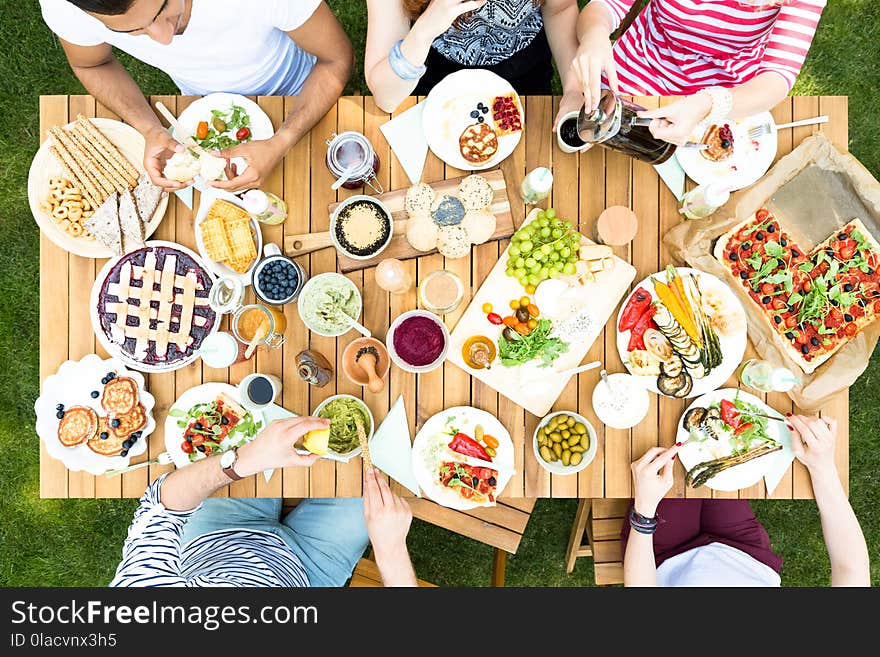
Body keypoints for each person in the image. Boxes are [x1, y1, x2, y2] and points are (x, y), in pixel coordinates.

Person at [39, 0, 354, 192]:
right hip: (197, 106)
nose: (163, 39)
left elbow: (336, 60)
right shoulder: (65, 8)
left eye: (163, 8)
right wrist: (149, 127)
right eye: (132, 31)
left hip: (301, 94)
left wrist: (283, 140)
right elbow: (92, 63)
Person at [110, 416, 418, 587]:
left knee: (264, 420)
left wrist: (241, 461)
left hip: (215, 536)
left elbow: (159, 506)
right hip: (311, 572)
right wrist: (390, 551)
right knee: (385, 469)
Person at [623, 415, 869, 587]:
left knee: (667, 450)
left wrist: (644, 510)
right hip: (742, 552)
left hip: (664, 560)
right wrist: (823, 468)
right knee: (717, 441)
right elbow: (851, 569)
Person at [571, 0, 827, 145]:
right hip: (638, 64)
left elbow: (777, 76)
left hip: (726, 92)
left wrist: (709, 104)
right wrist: (594, 34)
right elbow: (604, 6)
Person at [365, 0, 582, 126]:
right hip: (430, 68)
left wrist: (574, 88)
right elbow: (387, 98)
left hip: (523, 66)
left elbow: (560, 9)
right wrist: (424, 30)